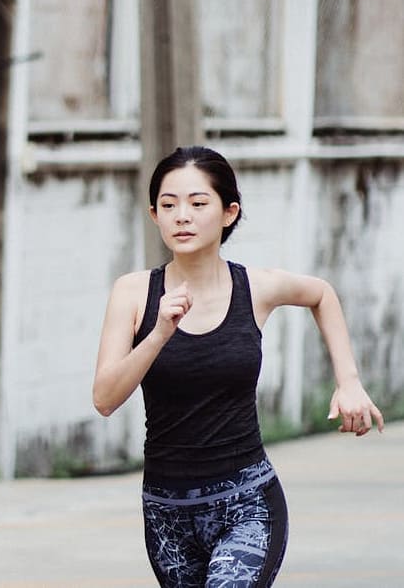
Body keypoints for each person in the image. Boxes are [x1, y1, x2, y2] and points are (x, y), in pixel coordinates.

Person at [92, 145, 383, 587]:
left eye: (197, 203)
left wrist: (349, 382)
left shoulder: (255, 287)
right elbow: (105, 399)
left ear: (229, 213)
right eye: (168, 206)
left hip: (247, 503)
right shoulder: (133, 293)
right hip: (166, 512)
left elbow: (320, 293)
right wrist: (157, 335)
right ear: (154, 216)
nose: (182, 216)